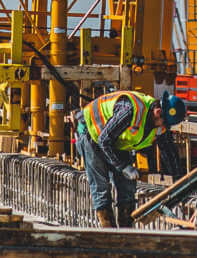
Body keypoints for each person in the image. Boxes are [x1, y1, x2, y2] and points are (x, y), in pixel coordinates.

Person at [71, 87, 173, 228]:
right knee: (101, 186)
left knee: (127, 185)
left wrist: (176, 178)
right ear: (158, 112)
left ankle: (126, 231)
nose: (163, 128)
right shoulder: (131, 111)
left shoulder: (156, 124)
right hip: (91, 131)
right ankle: (109, 233)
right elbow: (104, 140)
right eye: (165, 123)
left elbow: (166, 150)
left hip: (114, 140)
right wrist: (123, 166)